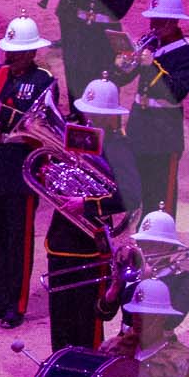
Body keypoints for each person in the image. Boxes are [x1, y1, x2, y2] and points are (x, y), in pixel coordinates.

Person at [0, 16, 60, 328]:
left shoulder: (45, 81)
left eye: (17, 51)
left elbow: (43, 122)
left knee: (18, 240)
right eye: (9, 51)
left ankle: (17, 304)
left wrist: (3, 111)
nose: (10, 56)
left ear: (31, 53)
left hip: (22, 168)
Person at [45, 78, 136, 351]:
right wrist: (50, 175)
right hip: (61, 241)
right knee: (60, 319)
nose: (91, 118)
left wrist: (84, 204)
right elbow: (56, 177)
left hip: (91, 242)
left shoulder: (120, 147)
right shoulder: (73, 137)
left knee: (87, 321)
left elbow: (130, 196)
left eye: (98, 114)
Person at [121, 0, 189, 217]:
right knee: (140, 189)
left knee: (161, 198)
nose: (154, 26)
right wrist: (121, 63)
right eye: (152, 20)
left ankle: (161, 248)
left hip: (163, 132)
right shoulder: (149, 44)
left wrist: (153, 66)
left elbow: (175, 92)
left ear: (174, 21)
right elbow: (124, 77)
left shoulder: (188, 53)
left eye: (160, 21)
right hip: (140, 126)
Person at [123, 210, 189, 319]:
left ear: (167, 246)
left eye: (151, 243)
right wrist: (114, 288)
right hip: (125, 335)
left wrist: (146, 283)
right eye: (141, 243)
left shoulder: (182, 279)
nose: (144, 249)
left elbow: (170, 322)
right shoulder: (132, 271)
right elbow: (106, 314)